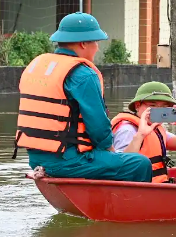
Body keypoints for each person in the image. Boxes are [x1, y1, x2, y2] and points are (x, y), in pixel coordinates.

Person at [15, 12, 152, 182]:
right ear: (83, 44)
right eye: (96, 42)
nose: (97, 47)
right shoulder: (84, 74)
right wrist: (111, 154)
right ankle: (126, 207)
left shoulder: (36, 66)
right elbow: (99, 129)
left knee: (109, 160)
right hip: (67, 161)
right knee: (139, 163)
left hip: (36, 159)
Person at [111, 82, 176, 183]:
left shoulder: (156, 129)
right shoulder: (127, 130)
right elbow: (121, 167)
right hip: (142, 190)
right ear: (137, 105)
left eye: (164, 107)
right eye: (152, 106)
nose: (158, 111)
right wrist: (140, 135)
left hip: (160, 186)